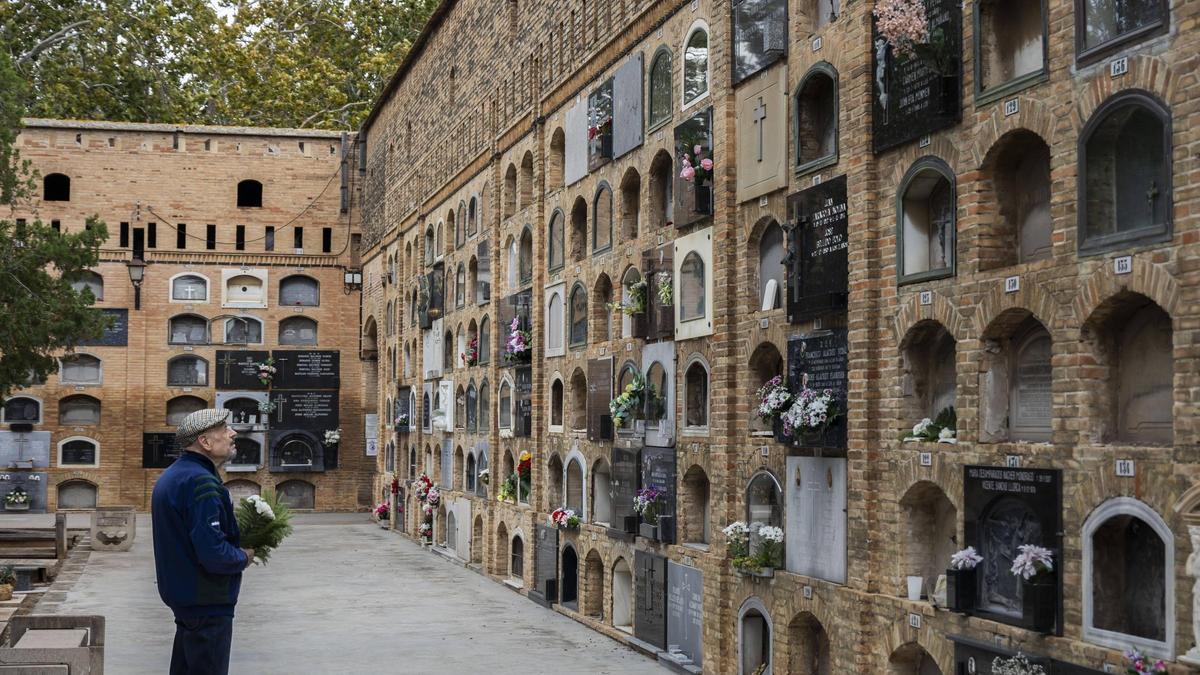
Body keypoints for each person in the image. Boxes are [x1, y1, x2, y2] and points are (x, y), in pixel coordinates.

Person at [151, 408, 254, 675]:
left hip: (186, 598)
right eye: (224, 429)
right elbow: (213, 553)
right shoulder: (200, 482)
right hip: (206, 600)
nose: (233, 434)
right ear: (205, 442)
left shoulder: (175, 475)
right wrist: (244, 557)